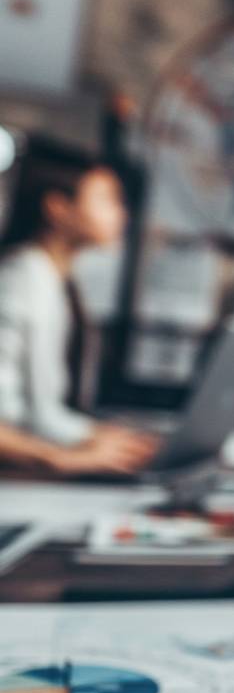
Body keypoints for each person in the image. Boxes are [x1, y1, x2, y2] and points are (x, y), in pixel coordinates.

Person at [0, 140, 155, 475]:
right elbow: (32, 416)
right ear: (57, 207)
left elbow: (45, 414)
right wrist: (64, 454)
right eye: (107, 200)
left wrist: (99, 436)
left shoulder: (54, 279)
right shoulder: (23, 279)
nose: (121, 214)